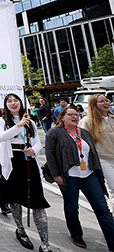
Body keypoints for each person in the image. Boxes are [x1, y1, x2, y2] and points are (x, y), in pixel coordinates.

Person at [46, 107, 114, 250]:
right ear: (62, 118)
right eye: (70, 114)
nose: (75, 117)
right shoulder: (55, 133)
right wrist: (56, 175)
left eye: (76, 115)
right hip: (69, 176)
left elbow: (92, 153)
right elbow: (50, 155)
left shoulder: (84, 133)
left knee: (102, 208)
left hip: (89, 174)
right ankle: (76, 233)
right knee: (72, 206)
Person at [0, 93, 52, 252]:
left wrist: (33, 151)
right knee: (14, 199)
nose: (13, 103)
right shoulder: (1, 121)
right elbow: (1, 137)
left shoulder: (30, 121)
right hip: (11, 162)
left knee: (37, 201)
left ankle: (45, 243)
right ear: (5, 105)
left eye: (16, 101)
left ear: (21, 103)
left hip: (28, 162)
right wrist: (19, 125)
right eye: (9, 101)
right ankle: (20, 229)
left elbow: (38, 142)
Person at [79, 94, 114, 214]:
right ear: (94, 105)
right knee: (113, 188)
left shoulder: (112, 118)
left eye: (106, 100)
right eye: (101, 101)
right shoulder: (87, 121)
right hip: (103, 158)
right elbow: (82, 142)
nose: (105, 103)